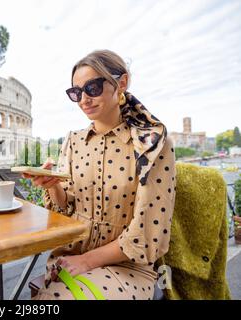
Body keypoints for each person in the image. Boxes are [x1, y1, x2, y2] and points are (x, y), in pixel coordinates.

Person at [22, 49, 176, 300]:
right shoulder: (73, 142)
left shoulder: (153, 144)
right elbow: (67, 209)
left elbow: (149, 231)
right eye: (76, 92)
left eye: (92, 87)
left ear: (121, 83)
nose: (84, 99)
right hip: (69, 258)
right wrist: (53, 186)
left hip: (128, 267)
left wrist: (88, 260)